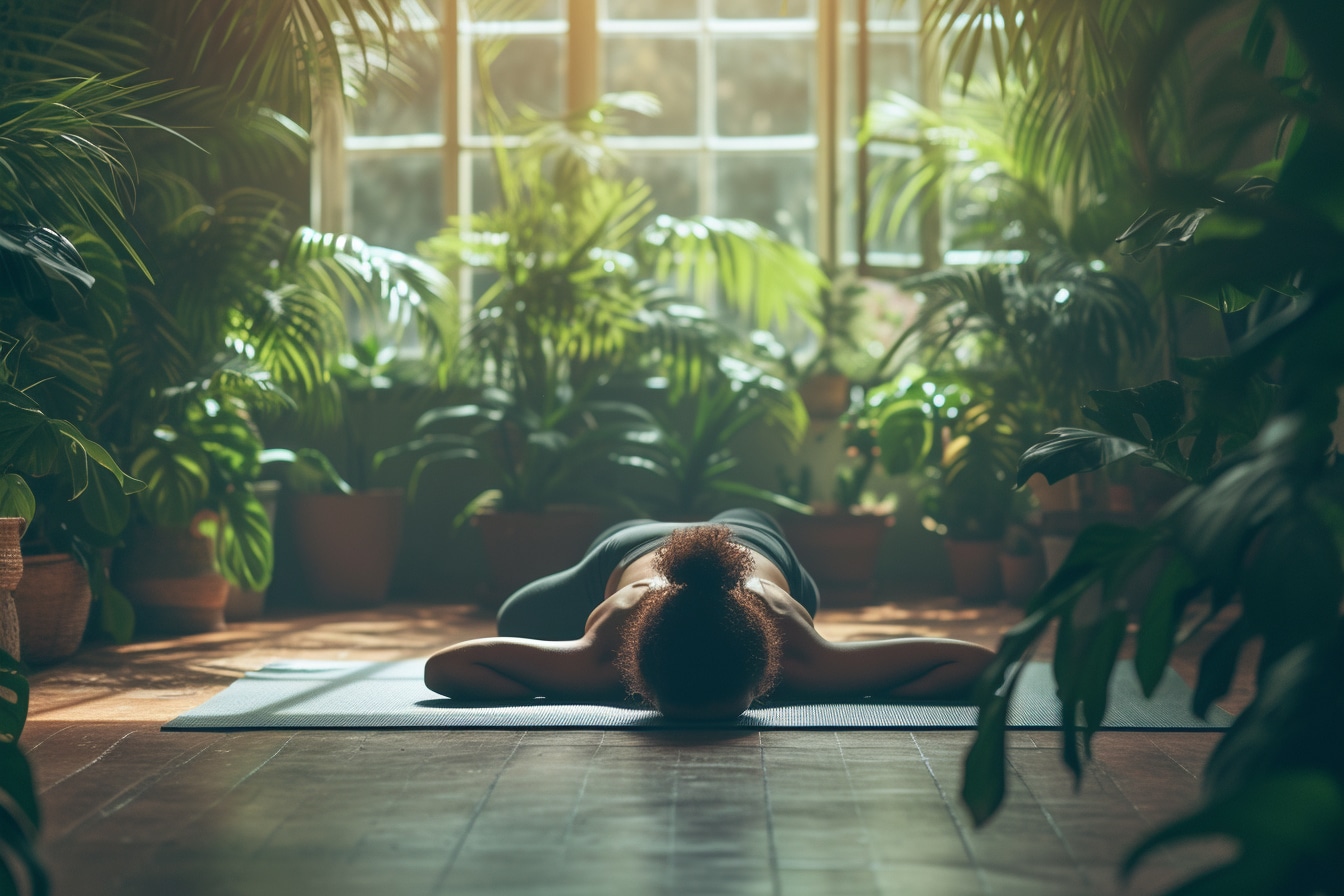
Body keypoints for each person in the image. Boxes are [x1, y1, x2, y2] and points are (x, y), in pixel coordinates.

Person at [425, 509, 995, 720]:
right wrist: (860, 687)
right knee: (512, 616)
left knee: (748, 518)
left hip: (755, 543)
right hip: (630, 548)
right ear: (635, 675)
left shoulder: (804, 655)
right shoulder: (603, 654)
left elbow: (983, 663)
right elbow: (442, 668)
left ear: (767, 672)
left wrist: (564, 684)